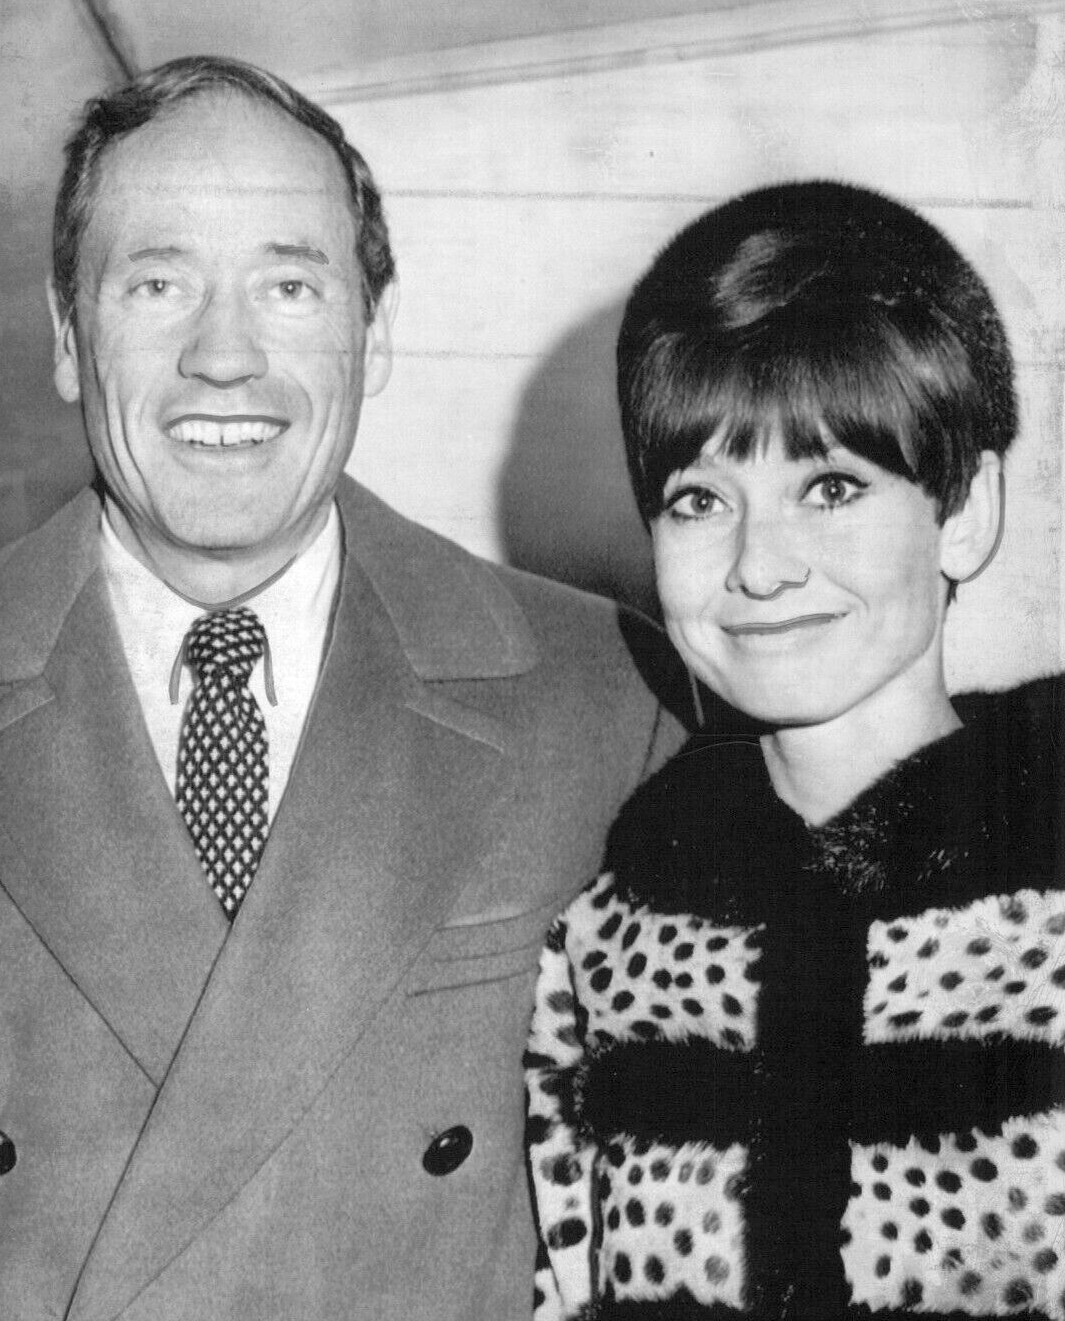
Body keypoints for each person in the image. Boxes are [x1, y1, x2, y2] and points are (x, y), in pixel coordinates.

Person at [0, 56, 688, 1321]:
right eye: (158, 284)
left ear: (372, 333)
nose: (224, 357)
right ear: (65, 337)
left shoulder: (609, 700)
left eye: (289, 285)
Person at [526, 181, 1065, 1319]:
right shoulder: (608, 945)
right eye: (698, 500)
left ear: (964, 510)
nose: (760, 565)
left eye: (829, 487)